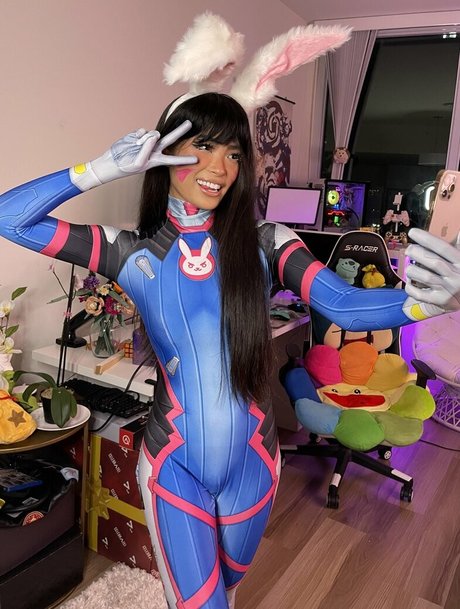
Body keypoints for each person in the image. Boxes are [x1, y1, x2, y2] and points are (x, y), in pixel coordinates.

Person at [0, 90, 460, 609]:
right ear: (164, 152)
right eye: (203, 146)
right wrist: (100, 169)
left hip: (255, 466)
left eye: (234, 153)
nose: (220, 168)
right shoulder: (129, 251)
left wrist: (426, 304)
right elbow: (9, 217)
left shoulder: (267, 242)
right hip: (175, 466)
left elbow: (346, 306)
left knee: (229, 591)